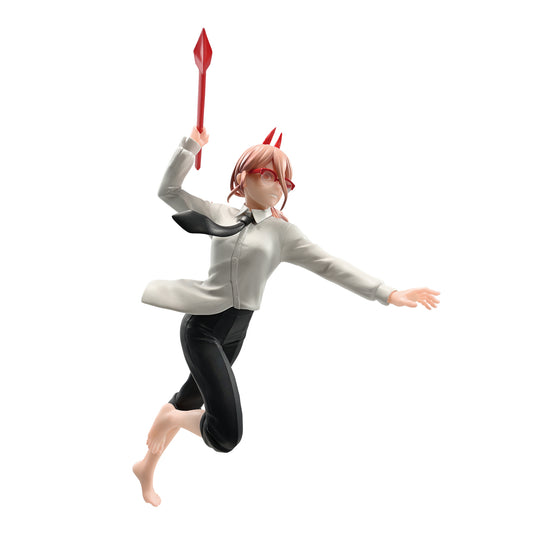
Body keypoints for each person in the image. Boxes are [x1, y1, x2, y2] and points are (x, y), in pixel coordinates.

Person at [133, 126, 440, 506]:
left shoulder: (282, 233)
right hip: (202, 328)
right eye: (269, 174)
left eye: (285, 180)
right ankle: (171, 419)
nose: (278, 186)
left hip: (236, 332)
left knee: (188, 397)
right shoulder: (219, 213)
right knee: (225, 434)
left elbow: (329, 264)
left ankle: (146, 465)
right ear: (243, 175)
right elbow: (168, 191)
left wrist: (387, 292)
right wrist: (190, 146)